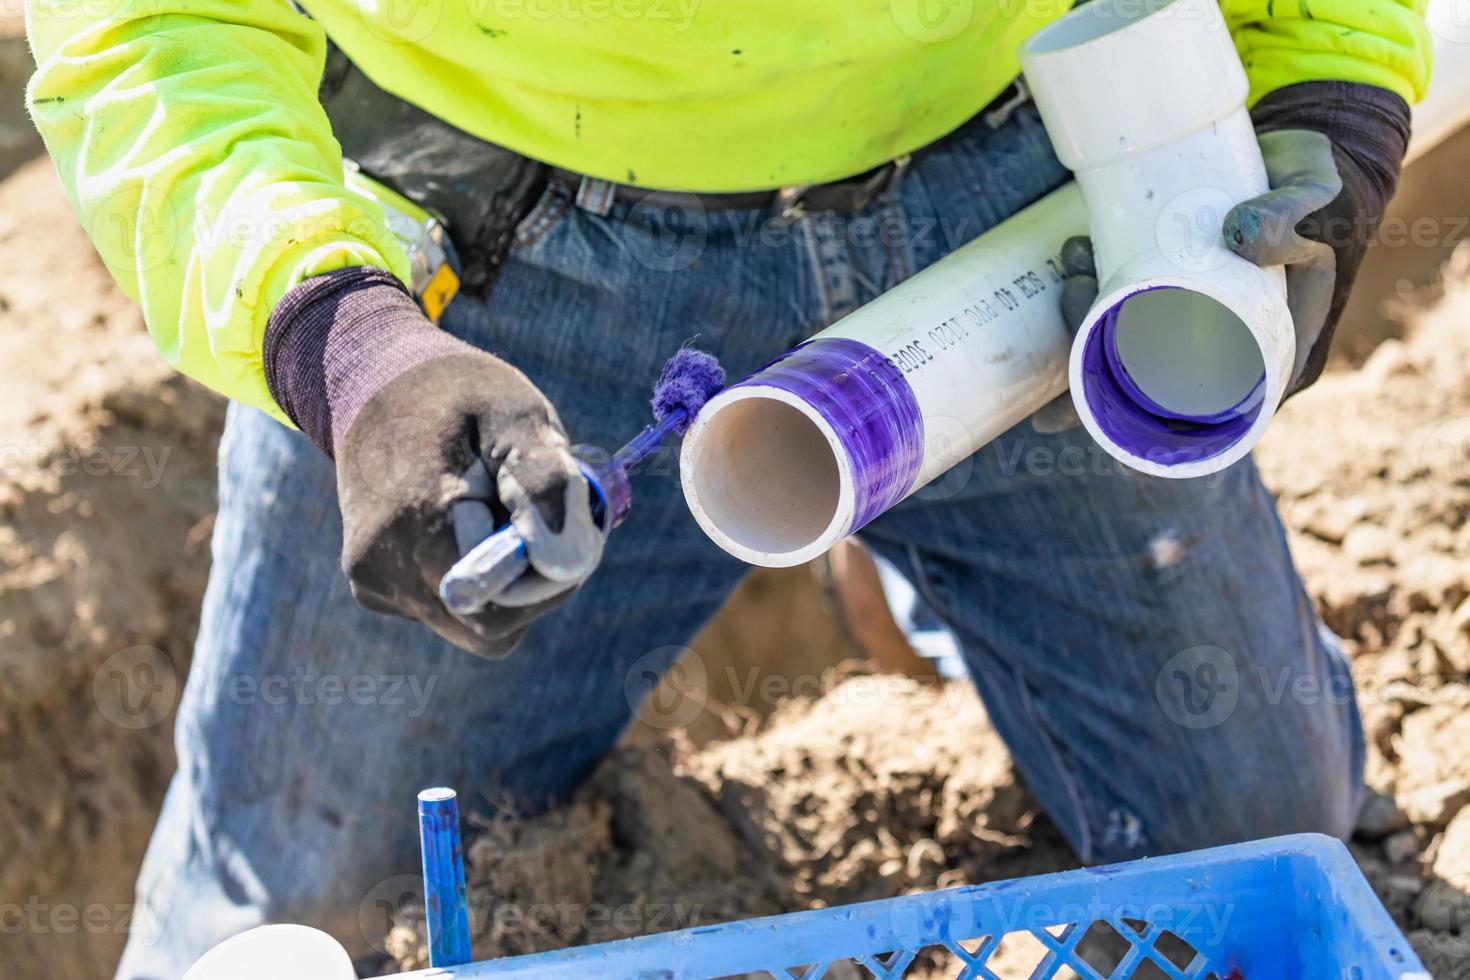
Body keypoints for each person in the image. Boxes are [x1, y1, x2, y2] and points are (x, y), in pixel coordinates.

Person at [26, 0, 1429, 974]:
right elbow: (149, 31)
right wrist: (344, 343)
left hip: (1023, 189)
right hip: (508, 245)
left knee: (1252, 832)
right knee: (299, 924)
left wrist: (1325, 89)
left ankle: (907, 513)